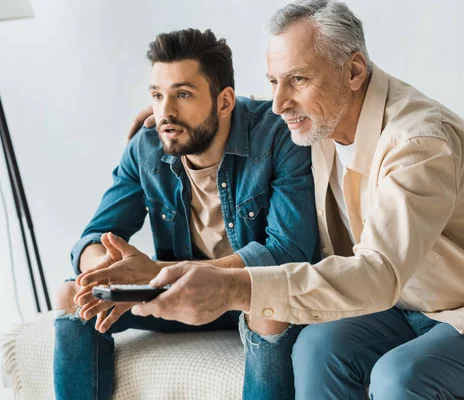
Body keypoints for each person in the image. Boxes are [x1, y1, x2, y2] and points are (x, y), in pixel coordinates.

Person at [126, 1, 464, 398]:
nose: (280, 102)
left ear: (354, 70)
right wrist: (177, 113)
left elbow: (378, 273)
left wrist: (235, 287)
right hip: (401, 307)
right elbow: (246, 113)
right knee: (316, 347)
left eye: (298, 80)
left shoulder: (418, 143)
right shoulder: (317, 119)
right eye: (274, 81)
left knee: (397, 378)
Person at [53, 28, 319, 400]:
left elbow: (289, 253)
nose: (165, 112)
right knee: (72, 294)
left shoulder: (276, 138)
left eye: (182, 94)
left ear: (225, 101)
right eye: (157, 96)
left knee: (270, 306)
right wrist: (106, 266)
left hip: (243, 292)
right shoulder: (146, 148)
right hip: (174, 294)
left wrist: (164, 273)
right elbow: (94, 235)